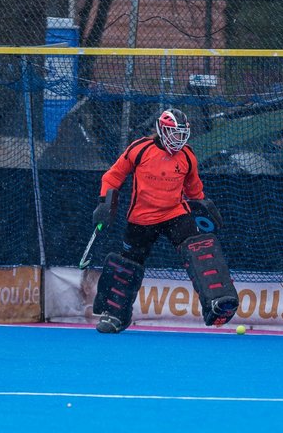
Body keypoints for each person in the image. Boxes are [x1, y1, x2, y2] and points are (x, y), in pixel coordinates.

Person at [91, 107, 238, 334]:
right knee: (128, 264)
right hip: (142, 218)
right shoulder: (139, 149)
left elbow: (194, 190)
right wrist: (104, 201)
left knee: (201, 248)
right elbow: (113, 176)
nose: (178, 140)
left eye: (182, 134)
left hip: (175, 214)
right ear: (161, 130)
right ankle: (115, 315)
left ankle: (219, 304)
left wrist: (205, 207)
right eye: (174, 134)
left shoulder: (187, 156)